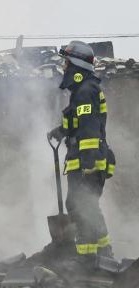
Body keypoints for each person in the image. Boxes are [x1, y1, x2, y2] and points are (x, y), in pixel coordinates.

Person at [48, 41, 116, 262]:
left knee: (81, 207)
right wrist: (61, 131)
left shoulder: (85, 91)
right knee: (86, 206)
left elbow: (88, 128)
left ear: (76, 65)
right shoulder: (85, 90)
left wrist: (88, 164)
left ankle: (88, 261)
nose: (64, 68)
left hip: (88, 161)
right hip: (89, 159)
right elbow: (79, 122)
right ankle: (103, 255)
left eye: (67, 63)